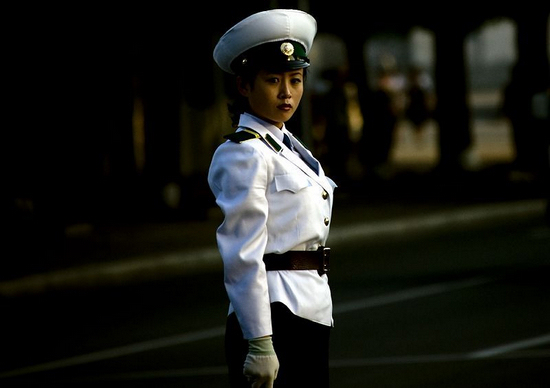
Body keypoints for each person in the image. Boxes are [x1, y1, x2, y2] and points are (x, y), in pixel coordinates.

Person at [208, 9, 337, 388]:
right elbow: (242, 253)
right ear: (244, 86)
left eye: (295, 80)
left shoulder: (286, 148)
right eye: (272, 80)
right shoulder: (244, 153)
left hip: (309, 309)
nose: (287, 92)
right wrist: (260, 342)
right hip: (274, 315)